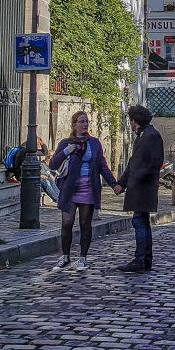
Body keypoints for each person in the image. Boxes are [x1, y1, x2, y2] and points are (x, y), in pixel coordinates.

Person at [49, 111, 118, 271]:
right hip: (70, 189)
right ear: (74, 124)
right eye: (81, 121)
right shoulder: (65, 143)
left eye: (86, 121)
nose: (85, 124)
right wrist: (67, 151)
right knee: (67, 222)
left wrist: (113, 184)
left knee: (85, 223)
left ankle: (82, 258)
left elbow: (102, 165)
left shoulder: (94, 143)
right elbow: (52, 164)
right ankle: (65, 256)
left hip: (88, 188)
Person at [116, 105, 165, 273]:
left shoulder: (151, 136)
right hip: (138, 186)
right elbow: (133, 162)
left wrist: (137, 178)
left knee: (140, 221)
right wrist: (122, 183)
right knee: (140, 221)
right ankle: (142, 257)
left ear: (134, 121)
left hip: (144, 187)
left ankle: (142, 258)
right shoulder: (143, 136)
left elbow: (155, 162)